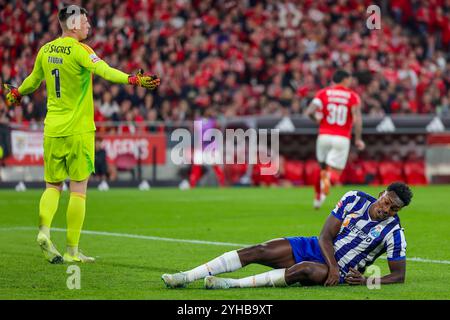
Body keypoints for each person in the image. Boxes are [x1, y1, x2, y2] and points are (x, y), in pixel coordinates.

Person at [2, 5, 160, 264]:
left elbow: (32, 81)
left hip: (52, 129)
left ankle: (44, 231)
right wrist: (132, 80)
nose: (88, 26)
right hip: (79, 131)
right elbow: (105, 71)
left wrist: (17, 93)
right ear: (74, 25)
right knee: (78, 190)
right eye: (85, 22)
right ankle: (72, 251)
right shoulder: (81, 50)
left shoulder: (45, 50)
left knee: (52, 186)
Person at [162, 182, 412, 289]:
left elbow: (399, 276)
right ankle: (187, 276)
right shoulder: (354, 198)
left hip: (341, 271)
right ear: (381, 193)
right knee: (259, 250)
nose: (386, 210)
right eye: (386, 202)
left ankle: (231, 284)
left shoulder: (394, 233)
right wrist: (332, 265)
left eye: (394, 208)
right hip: (319, 249)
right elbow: (325, 235)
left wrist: (366, 281)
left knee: (302, 269)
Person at [304, 70, 365, 209]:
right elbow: (357, 119)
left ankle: (317, 199)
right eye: (349, 79)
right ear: (344, 80)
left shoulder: (323, 93)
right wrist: (358, 139)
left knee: (322, 169)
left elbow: (309, 112)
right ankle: (325, 186)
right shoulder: (352, 96)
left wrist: (318, 121)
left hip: (324, 136)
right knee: (335, 173)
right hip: (341, 137)